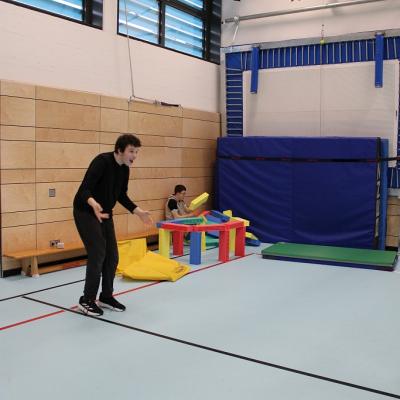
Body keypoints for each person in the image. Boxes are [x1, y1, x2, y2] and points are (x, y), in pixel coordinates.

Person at [73, 134, 152, 316]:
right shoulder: (101, 162)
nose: (135, 155)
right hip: (86, 211)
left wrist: (137, 211)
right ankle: (87, 300)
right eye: (131, 151)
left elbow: (121, 195)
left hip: (105, 212)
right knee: (98, 252)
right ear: (119, 150)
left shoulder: (124, 169)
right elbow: (84, 189)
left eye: (137, 152)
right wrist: (93, 204)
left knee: (113, 256)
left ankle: (106, 296)